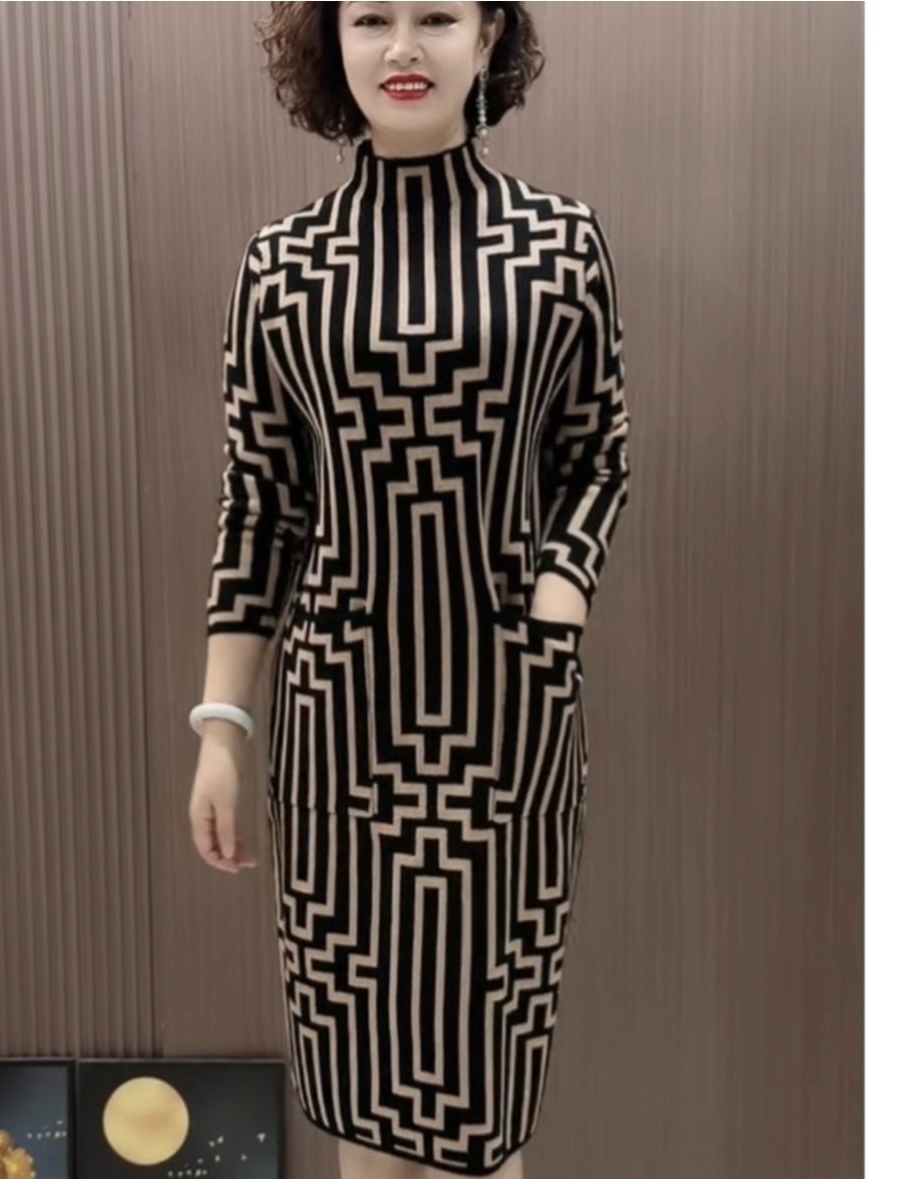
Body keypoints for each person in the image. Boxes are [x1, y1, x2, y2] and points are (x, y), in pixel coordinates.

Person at [189, 3, 631, 1177]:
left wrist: (555, 606)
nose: (402, 47)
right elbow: (261, 505)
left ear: (487, 39)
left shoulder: (559, 243)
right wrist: (223, 729)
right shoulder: (283, 267)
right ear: (330, 44)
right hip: (343, 726)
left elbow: (597, 459)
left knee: (484, 1100)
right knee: (363, 1096)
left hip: (508, 724)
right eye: (371, 17)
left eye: (436, 15)